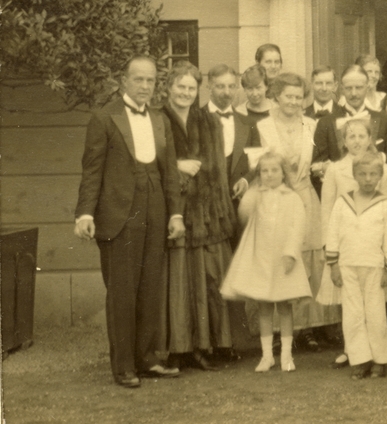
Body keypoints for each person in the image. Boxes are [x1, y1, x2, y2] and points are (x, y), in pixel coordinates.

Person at [75, 55, 186, 388]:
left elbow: (169, 171)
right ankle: (124, 366)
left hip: (155, 210)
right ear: (124, 81)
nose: (145, 86)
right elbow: (92, 169)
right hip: (118, 215)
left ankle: (147, 359)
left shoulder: (159, 119)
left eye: (150, 80)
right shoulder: (104, 117)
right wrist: (85, 212)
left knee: (150, 288)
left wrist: (176, 212)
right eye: (139, 79)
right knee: (122, 292)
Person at [253, 72, 338, 348]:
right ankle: (279, 330)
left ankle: (307, 328)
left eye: (299, 97)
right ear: (276, 96)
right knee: (280, 260)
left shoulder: (312, 125)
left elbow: (323, 158)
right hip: (274, 200)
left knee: (309, 261)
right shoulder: (262, 126)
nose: (293, 101)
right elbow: (256, 165)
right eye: (288, 96)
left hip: (304, 197)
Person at [161, 62, 237, 371]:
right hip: (173, 211)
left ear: (198, 90)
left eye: (191, 88)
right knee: (180, 283)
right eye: (180, 87)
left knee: (209, 280)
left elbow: (218, 169)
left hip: (207, 213)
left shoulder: (209, 121)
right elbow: (148, 161)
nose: (185, 93)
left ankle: (207, 345)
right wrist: (176, 165)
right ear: (169, 88)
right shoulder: (158, 119)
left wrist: (217, 212)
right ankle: (179, 347)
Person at [220, 149, 311, 373]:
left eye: (274, 170)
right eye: (264, 171)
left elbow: (297, 228)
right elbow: (243, 214)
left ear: (283, 173)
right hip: (262, 259)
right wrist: (251, 191)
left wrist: (290, 253)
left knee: (284, 307)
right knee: (263, 307)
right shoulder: (256, 196)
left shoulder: (292, 198)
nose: (269, 175)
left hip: (283, 260)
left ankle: (286, 355)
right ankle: (267, 355)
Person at [315, 118, 387, 367]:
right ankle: (353, 351)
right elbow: (328, 209)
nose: (357, 141)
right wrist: (329, 247)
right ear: (344, 142)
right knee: (350, 304)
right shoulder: (336, 170)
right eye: (351, 137)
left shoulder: (383, 168)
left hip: (371, 245)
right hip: (345, 243)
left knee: (373, 305)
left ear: (370, 139)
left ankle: (375, 353)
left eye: (362, 136)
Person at [326, 150, 387, 379]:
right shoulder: (342, 201)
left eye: (373, 174)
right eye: (363, 174)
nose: (368, 179)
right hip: (347, 265)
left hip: (374, 267)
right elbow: (333, 234)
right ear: (355, 174)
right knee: (353, 314)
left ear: (380, 176)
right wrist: (334, 266)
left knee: (375, 314)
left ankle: (380, 360)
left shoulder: (385, 204)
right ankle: (360, 359)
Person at [312, 64, 387, 178]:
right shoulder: (326, 123)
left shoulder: (383, 119)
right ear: (342, 89)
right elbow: (315, 169)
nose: (354, 93)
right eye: (349, 88)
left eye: (358, 88)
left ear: (367, 87)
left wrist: (379, 157)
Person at [205, 64, 255, 223]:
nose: (227, 92)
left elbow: (258, 162)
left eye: (232, 86)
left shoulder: (247, 123)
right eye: (220, 86)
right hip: (204, 208)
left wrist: (246, 180)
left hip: (237, 204)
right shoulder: (193, 118)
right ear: (209, 86)